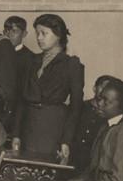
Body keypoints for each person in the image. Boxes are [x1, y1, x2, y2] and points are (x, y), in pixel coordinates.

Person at [11, 14, 84, 162]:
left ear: (58, 35)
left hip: (53, 126)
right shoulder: (32, 61)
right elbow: (21, 101)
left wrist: (66, 140)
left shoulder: (71, 64)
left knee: (46, 171)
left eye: (44, 33)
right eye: (37, 33)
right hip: (29, 124)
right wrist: (16, 134)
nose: (39, 38)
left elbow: (76, 106)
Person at [72, 74, 120, 173]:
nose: (104, 90)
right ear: (94, 88)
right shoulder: (79, 107)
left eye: (108, 88)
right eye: (102, 86)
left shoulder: (110, 114)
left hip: (94, 162)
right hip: (72, 158)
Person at [2, 15, 37, 134]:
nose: (10, 35)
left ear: (24, 33)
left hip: (18, 110)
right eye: (6, 31)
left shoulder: (30, 58)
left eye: (14, 31)